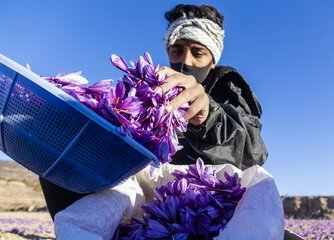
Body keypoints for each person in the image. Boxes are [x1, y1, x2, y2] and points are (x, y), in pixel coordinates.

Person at [40, 3, 268, 223]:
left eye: (198, 53)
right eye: (177, 51)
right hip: (152, 197)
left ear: (212, 61)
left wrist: (208, 117)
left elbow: (251, 153)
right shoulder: (153, 86)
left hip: (205, 201)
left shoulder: (229, 91)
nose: (185, 61)